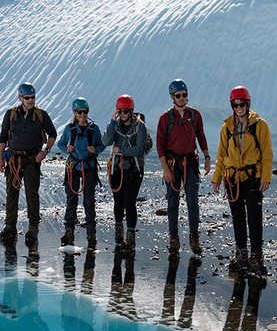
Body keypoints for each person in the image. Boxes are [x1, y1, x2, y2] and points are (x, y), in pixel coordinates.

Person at [212, 85, 273, 274]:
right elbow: (221, 155)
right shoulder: (227, 127)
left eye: (242, 104)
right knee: (238, 216)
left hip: (252, 177)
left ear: (248, 104)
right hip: (232, 178)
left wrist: (266, 178)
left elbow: (267, 154)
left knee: (254, 217)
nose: (239, 108)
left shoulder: (259, 125)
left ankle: (256, 255)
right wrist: (216, 178)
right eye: (236, 104)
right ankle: (241, 253)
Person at [156, 79, 210, 257]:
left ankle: (194, 236)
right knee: (173, 202)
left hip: (191, 163)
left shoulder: (195, 116)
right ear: (172, 96)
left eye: (184, 95)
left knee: (193, 201)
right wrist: (165, 169)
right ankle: (174, 237)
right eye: (178, 95)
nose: (182, 98)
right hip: (172, 165)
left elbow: (201, 136)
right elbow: (160, 144)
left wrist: (207, 157)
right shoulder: (165, 118)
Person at [0, 82, 57, 248]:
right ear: (20, 98)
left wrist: (45, 151)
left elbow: (52, 134)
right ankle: (10, 227)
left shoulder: (41, 115)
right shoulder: (10, 114)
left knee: (32, 194)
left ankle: (33, 227)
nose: (31, 100)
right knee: (12, 194)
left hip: (32, 159)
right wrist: (0, 159)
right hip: (13, 159)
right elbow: (2, 137)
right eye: (27, 97)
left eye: (33, 97)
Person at [57, 97, 105, 249]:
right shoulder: (69, 129)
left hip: (89, 167)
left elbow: (102, 144)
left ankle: (91, 232)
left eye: (85, 112)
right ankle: (69, 231)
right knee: (72, 199)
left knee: (89, 200)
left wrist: (95, 150)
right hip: (73, 167)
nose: (83, 115)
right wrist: (67, 149)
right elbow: (60, 143)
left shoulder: (94, 129)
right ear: (75, 113)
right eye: (80, 112)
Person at [102, 94, 148, 250]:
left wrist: (121, 150)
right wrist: (111, 122)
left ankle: (130, 235)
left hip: (134, 170)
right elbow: (106, 141)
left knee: (129, 202)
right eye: (119, 111)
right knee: (118, 201)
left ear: (131, 111)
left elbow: (140, 149)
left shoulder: (140, 126)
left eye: (125, 112)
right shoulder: (115, 125)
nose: (122, 115)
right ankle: (118, 229)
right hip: (117, 169)